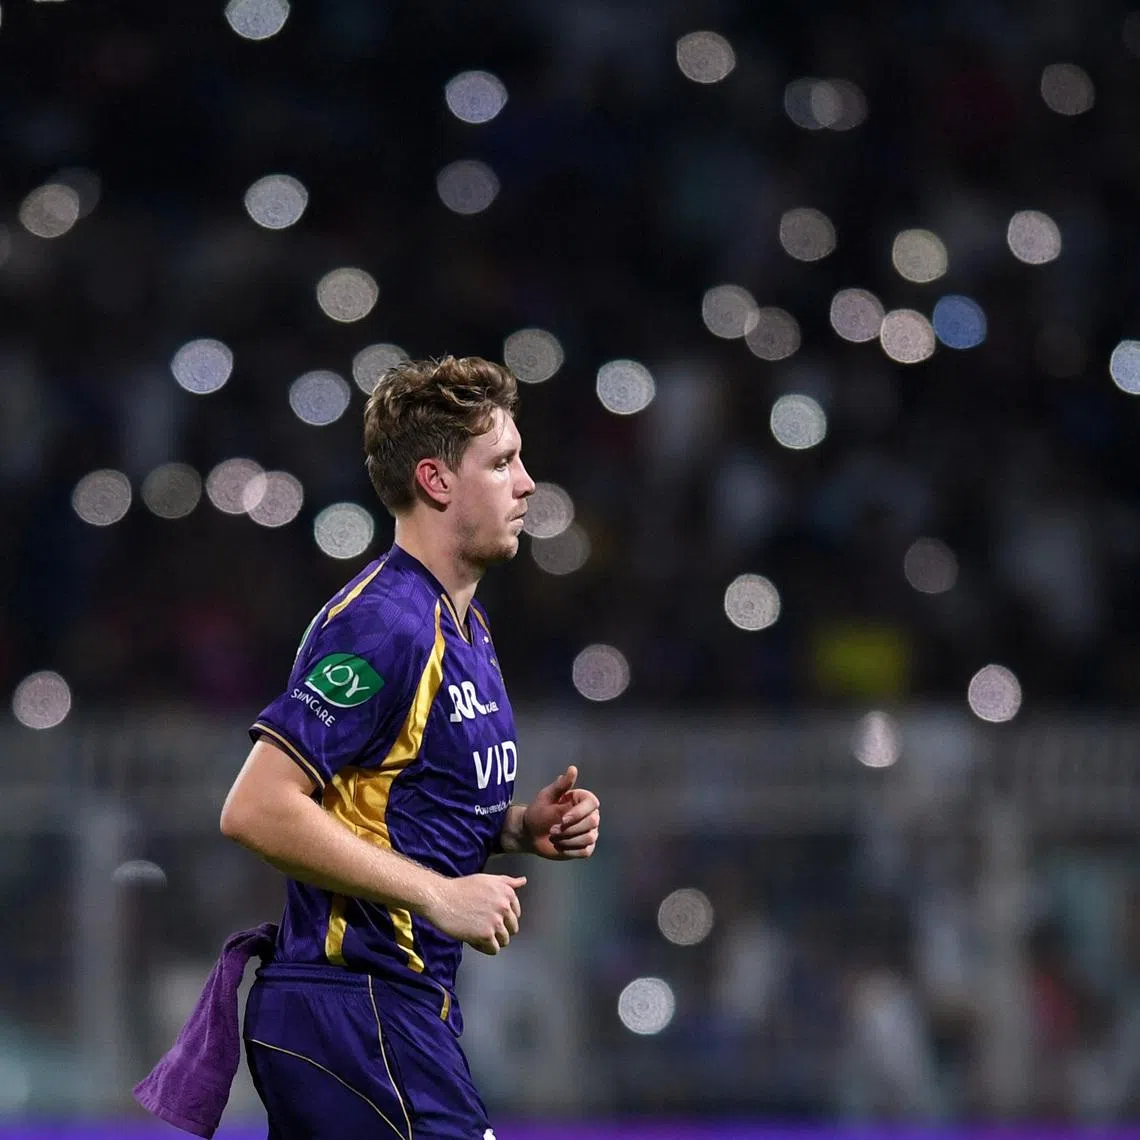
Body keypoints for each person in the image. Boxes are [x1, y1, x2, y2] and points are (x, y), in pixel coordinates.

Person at [219, 355, 602, 1139]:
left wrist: (518, 828)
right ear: (435, 480)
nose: (528, 483)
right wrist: (439, 894)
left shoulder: (466, 628)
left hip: (392, 1013)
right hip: (355, 1008)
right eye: (501, 463)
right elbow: (257, 809)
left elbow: (389, 795)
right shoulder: (383, 624)